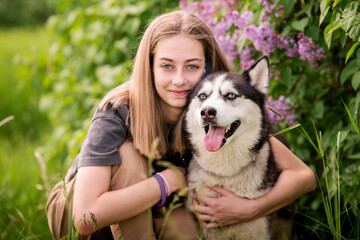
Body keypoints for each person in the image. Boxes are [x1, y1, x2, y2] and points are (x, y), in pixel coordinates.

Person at [45, 10, 316, 240]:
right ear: (149, 67)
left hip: (156, 208)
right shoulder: (118, 111)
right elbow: (84, 217)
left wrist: (250, 209)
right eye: (166, 66)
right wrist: (168, 180)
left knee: (186, 224)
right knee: (128, 157)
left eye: (191, 66)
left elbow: (303, 177)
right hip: (81, 213)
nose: (179, 80)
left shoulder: (220, 109)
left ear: (208, 68)